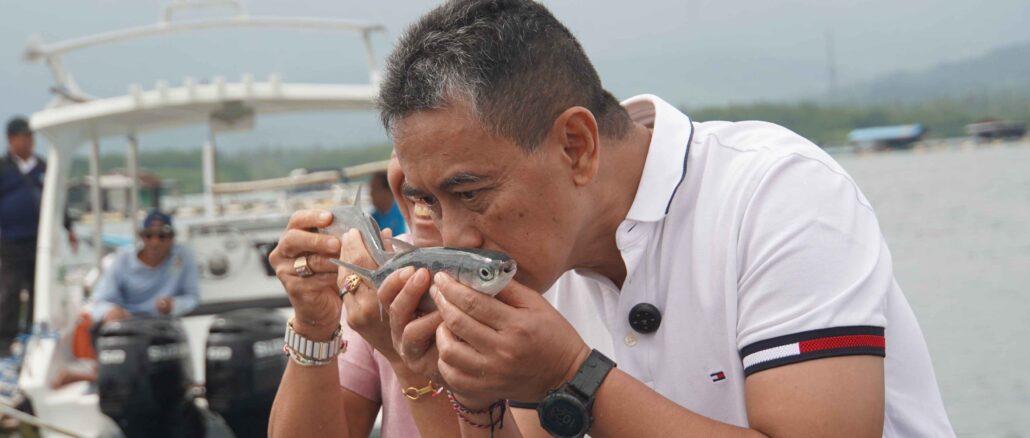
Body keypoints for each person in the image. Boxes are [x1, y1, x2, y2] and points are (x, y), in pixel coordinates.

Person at [367, 1, 948, 437]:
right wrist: (467, 394)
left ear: (576, 146)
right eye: (429, 203)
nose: (455, 237)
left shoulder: (777, 193)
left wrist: (570, 375)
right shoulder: (539, 263)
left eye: (470, 194)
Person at [267, 154, 460, 437]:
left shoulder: (529, 282)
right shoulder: (373, 272)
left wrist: (405, 356)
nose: (416, 171)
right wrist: (314, 325)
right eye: (399, 147)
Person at [0, 116, 77, 356]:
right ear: (11, 139)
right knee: (11, 290)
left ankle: (32, 335)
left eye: (30, 136)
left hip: (40, 240)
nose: (28, 141)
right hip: (10, 240)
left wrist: (69, 228)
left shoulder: (43, 167)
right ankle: (5, 340)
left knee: (38, 288)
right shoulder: (3, 167)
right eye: (23, 136)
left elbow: (57, 199)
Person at [90, 211, 199, 323]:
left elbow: (192, 297)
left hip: (165, 325)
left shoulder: (182, 257)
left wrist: (174, 305)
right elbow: (100, 301)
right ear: (141, 237)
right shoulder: (123, 260)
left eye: (162, 236)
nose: (155, 243)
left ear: (172, 238)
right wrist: (110, 312)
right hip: (127, 325)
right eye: (148, 236)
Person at [369, 171, 407, 235]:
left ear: (387, 191)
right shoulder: (372, 218)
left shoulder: (404, 212)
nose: (371, 194)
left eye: (375, 189)